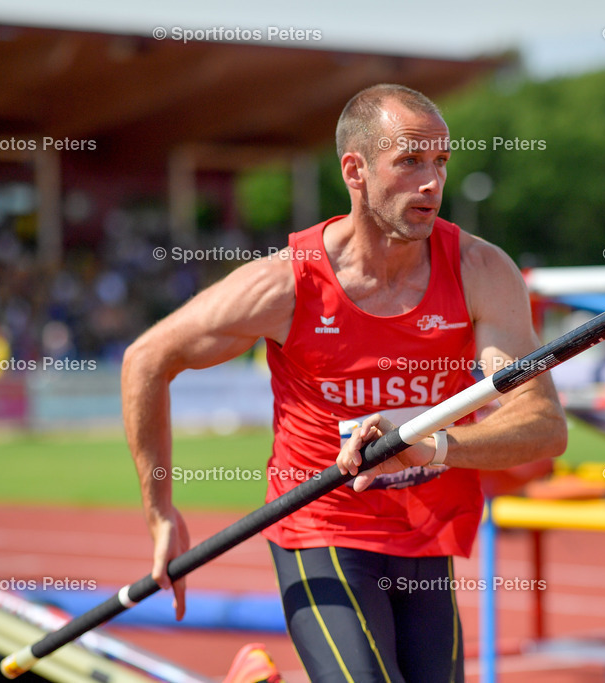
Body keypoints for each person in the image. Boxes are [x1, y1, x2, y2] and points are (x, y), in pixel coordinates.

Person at [122, 83, 567, 683]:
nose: (432, 182)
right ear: (355, 171)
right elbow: (146, 360)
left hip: (423, 533)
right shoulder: (286, 284)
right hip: (321, 523)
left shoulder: (480, 272)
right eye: (409, 161)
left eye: (440, 161)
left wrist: (433, 444)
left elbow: (544, 425)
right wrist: (160, 514)